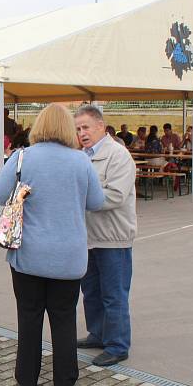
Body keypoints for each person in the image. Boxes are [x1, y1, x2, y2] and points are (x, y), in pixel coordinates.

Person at [0, 103, 104, 386]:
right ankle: (64, 379)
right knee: (64, 318)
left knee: (29, 318)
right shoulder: (81, 161)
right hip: (69, 257)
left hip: (29, 254)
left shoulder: (22, 157)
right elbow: (97, 203)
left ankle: (27, 377)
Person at [74, 104, 138, 367]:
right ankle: (98, 334)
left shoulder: (118, 156)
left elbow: (115, 196)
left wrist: (79, 198)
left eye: (86, 127)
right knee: (91, 292)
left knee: (114, 294)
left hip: (113, 238)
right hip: (89, 238)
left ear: (101, 125)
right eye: (78, 129)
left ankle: (117, 345)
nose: (82, 133)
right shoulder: (82, 156)